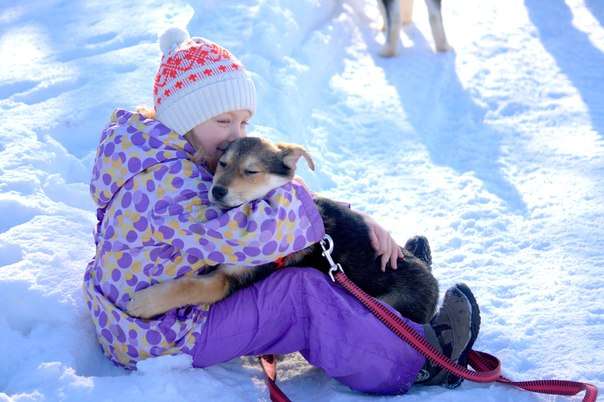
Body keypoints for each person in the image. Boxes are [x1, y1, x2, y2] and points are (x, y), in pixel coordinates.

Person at [83, 27, 481, 394]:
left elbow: (258, 206)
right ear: (184, 117)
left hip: (133, 319)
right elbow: (255, 233)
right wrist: (320, 210)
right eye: (224, 121)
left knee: (295, 264)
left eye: (244, 122)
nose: (235, 136)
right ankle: (422, 358)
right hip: (161, 334)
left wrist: (353, 221)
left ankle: (390, 276)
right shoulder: (167, 182)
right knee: (300, 294)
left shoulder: (151, 152)